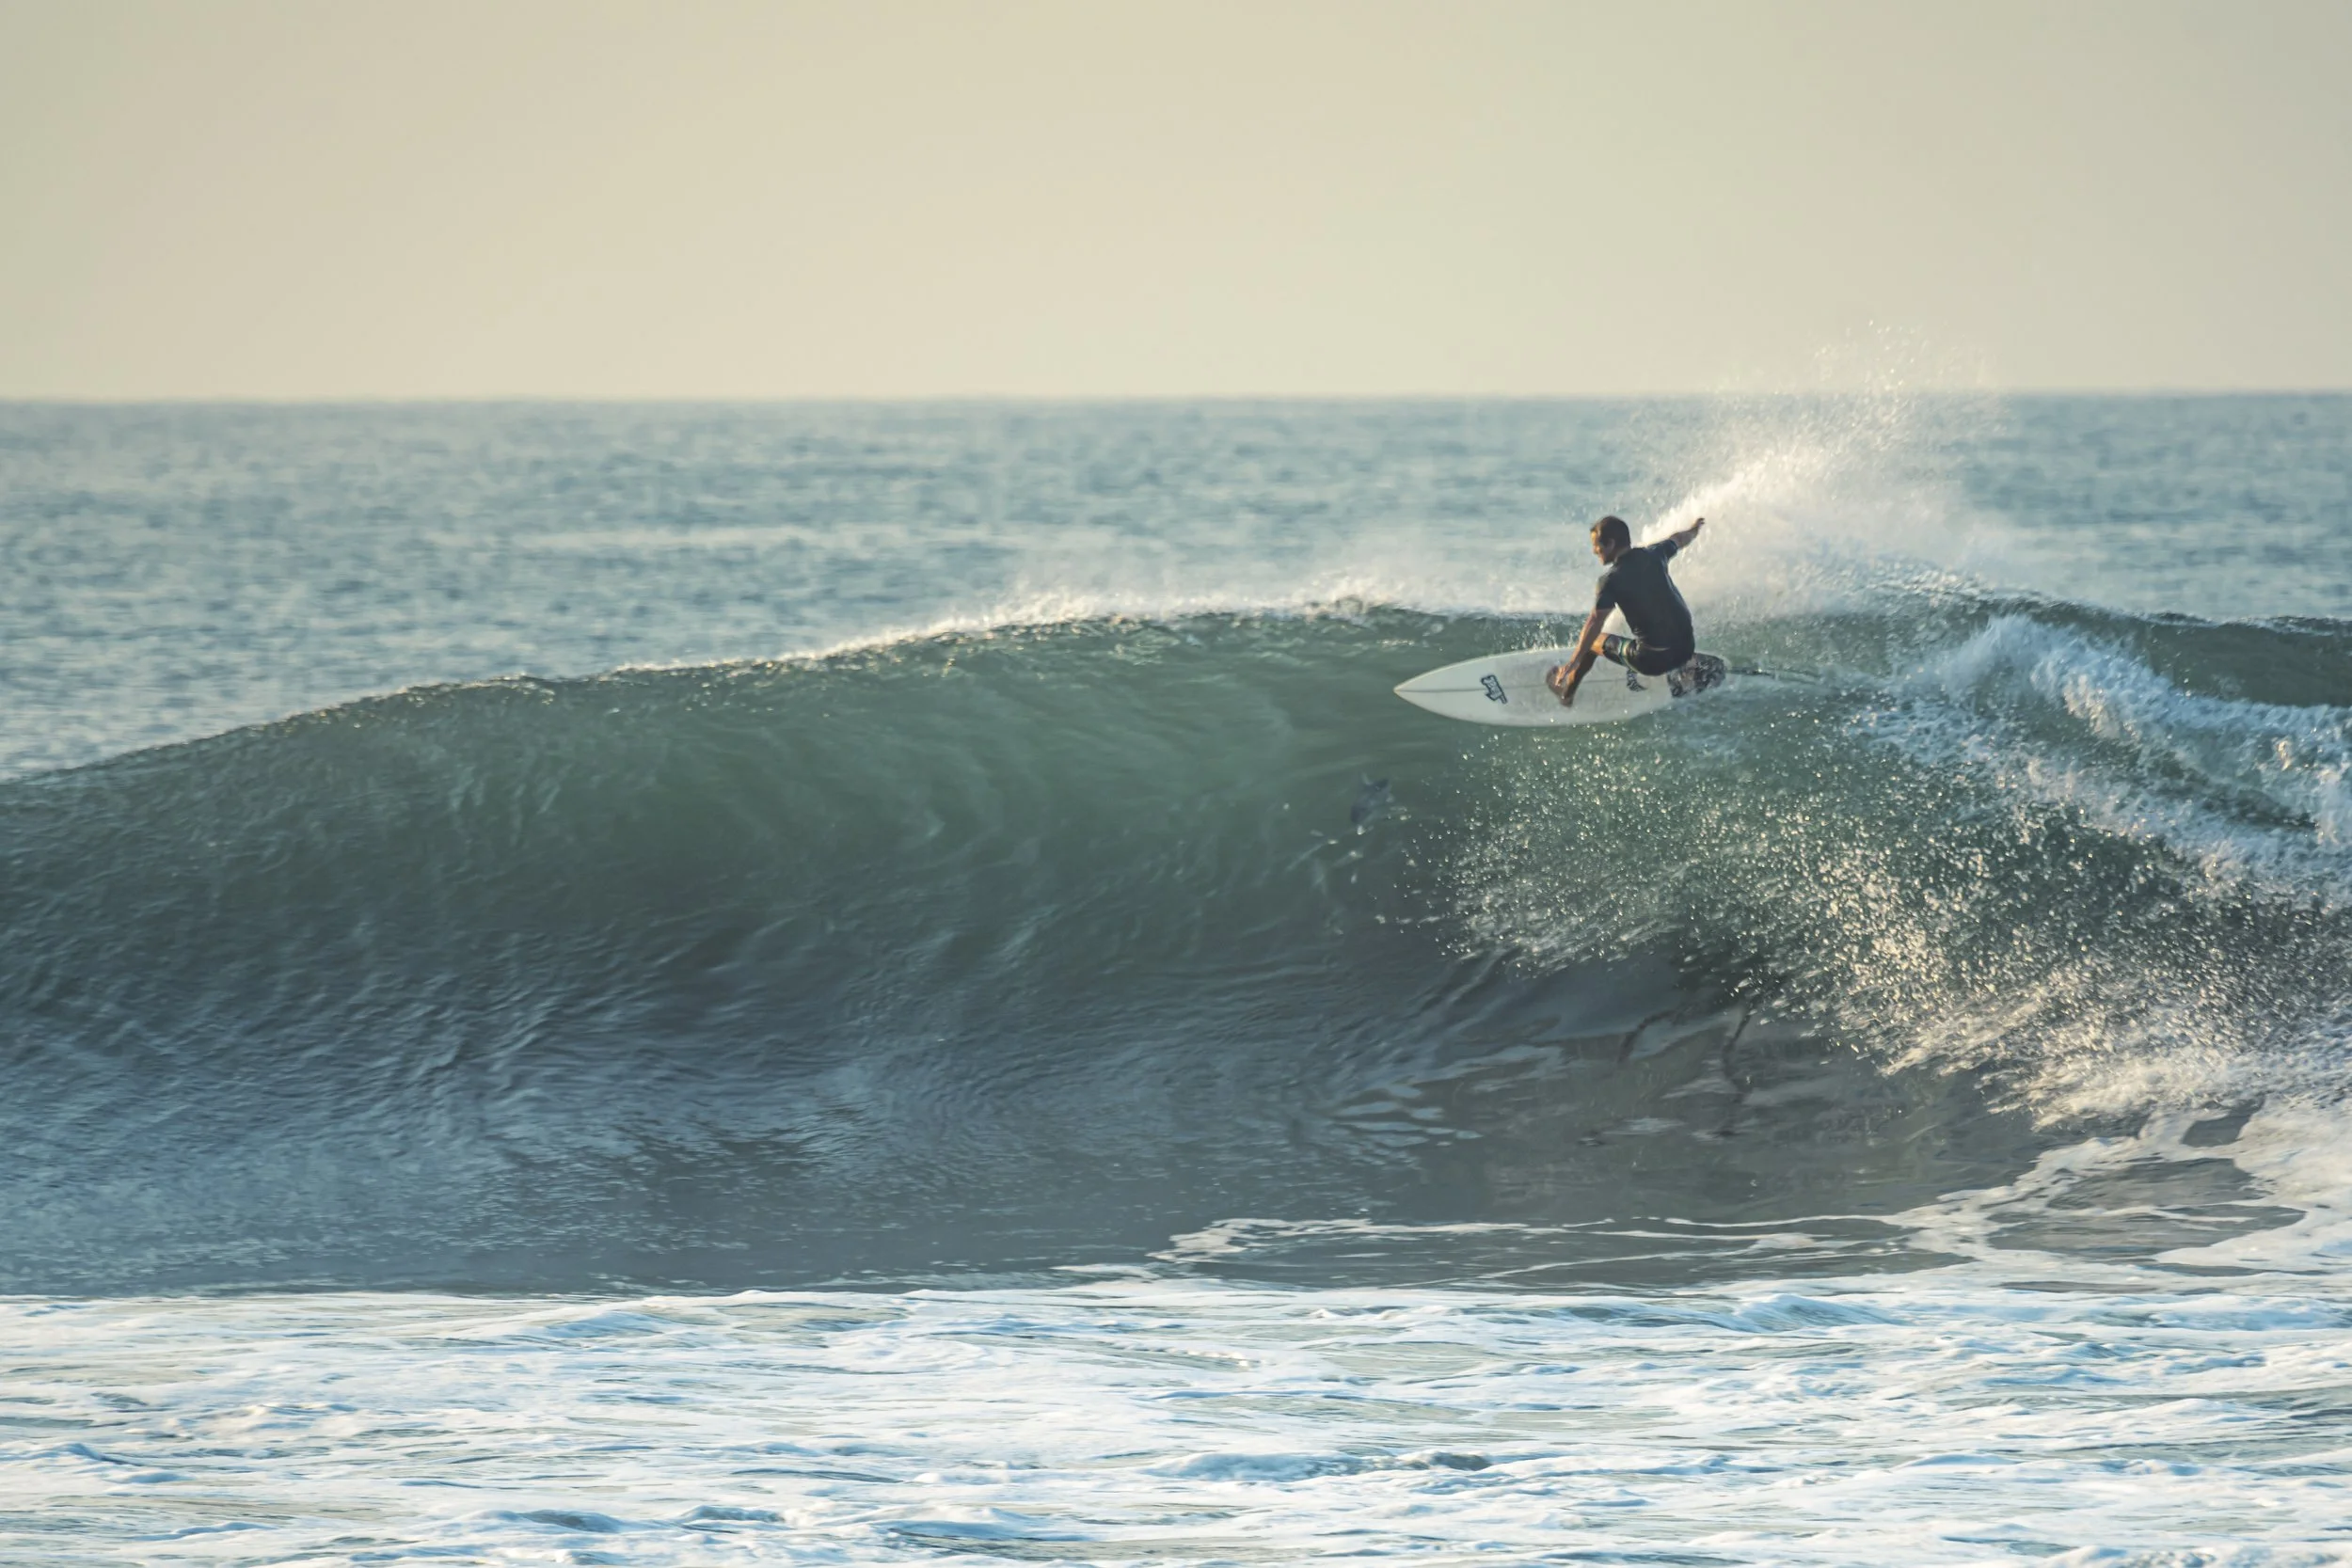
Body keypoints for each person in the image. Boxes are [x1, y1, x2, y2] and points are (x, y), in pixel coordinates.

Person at [1547, 514, 1707, 708]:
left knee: (1593, 643)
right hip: (1686, 649)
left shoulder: (1611, 580)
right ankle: (1686, 667)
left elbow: (1594, 622)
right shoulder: (1655, 553)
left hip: (1653, 661)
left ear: (1611, 544)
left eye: (1597, 545)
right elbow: (1679, 539)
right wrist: (1694, 529)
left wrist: (1574, 661)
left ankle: (1566, 695)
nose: (1594, 550)